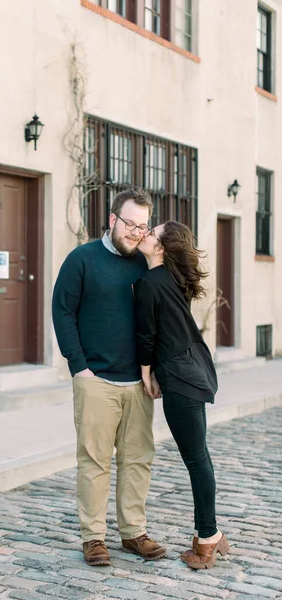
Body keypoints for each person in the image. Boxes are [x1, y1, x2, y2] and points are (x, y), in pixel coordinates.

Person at [52, 189, 166, 567]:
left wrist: (155, 371)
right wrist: (78, 367)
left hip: (138, 382)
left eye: (143, 226)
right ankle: (93, 538)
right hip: (95, 379)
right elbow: (62, 311)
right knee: (94, 460)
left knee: (137, 460)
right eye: (130, 224)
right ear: (113, 219)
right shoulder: (82, 259)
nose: (136, 232)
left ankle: (133, 533)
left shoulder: (145, 264)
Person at [134, 220, 230, 570]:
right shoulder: (175, 279)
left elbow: (147, 335)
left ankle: (208, 538)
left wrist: (147, 373)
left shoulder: (148, 283)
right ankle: (210, 535)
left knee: (196, 460)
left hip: (179, 376)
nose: (144, 234)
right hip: (193, 367)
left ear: (160, 247)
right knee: (199, 456)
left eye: (151, 233)